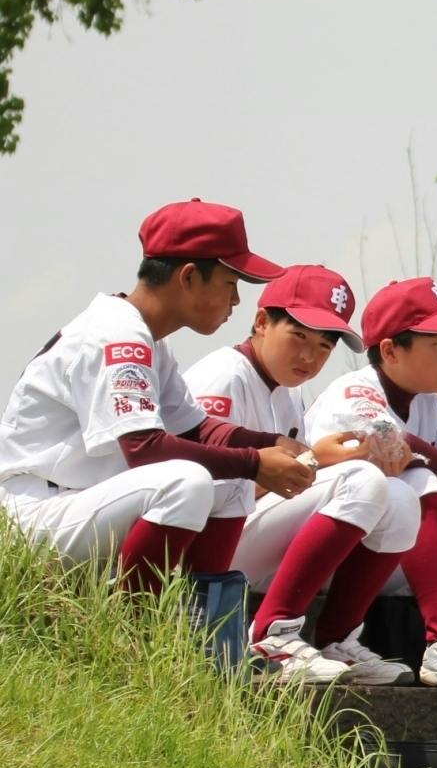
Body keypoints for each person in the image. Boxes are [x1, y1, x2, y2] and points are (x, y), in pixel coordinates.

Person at [0, 199, 305, 596]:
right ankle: (132, 627)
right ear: (189, 276)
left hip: (77, 504)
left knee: (232, 482)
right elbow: (143, 449)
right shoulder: (117, 333)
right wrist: (254, 463)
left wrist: (269, 444)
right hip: (31, 514)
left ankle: (198, 623)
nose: (236, 300)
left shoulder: (148, 337)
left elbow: (196, 429)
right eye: (230, 283)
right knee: (187, 482)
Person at [182, 264, 418, 684]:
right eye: (299, 337)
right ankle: (273, 635)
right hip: (198, 556)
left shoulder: (286, 391)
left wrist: (315, 460)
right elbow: (201, 496)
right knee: (360, 480)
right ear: (261, 322)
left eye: (324, 345)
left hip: (245, 541)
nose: (310, 356)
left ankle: (337, 640)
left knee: (401, 498)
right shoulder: (224, 376)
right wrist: (314, 461)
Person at [302, 277, 437, 691]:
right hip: (319, 555)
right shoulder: (356, 389)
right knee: (418, 479)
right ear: (390, 351)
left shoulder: (426, 400)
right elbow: (390, 444)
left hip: (382, 551)